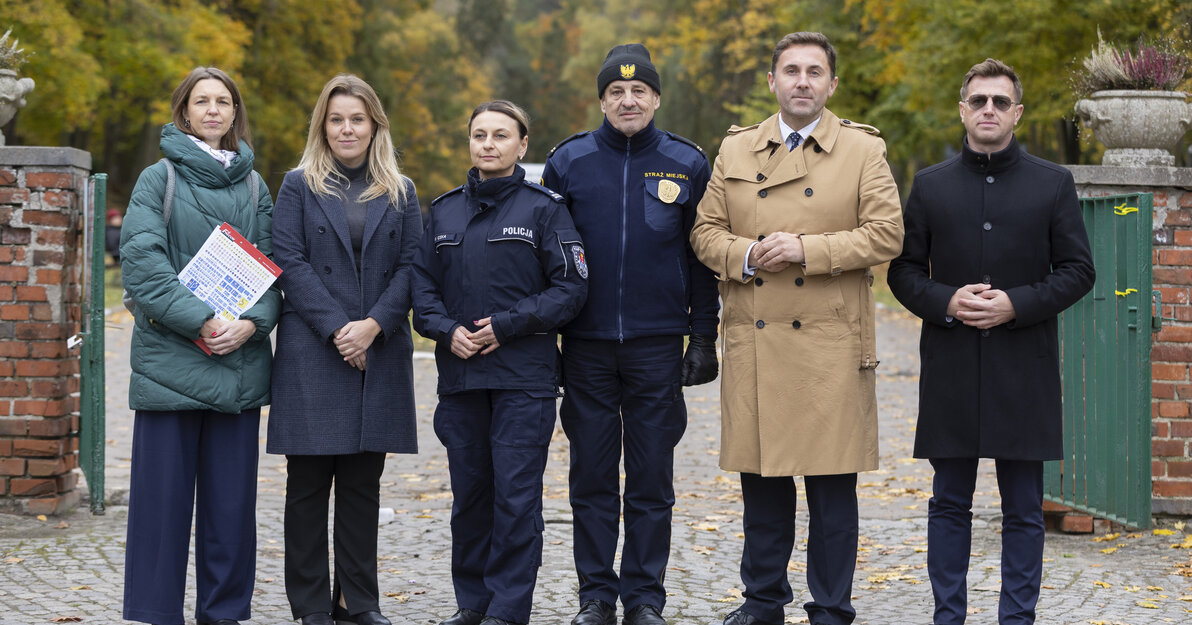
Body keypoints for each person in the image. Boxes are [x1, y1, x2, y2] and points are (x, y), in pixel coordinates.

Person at [690, 32, 904, 625]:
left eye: (815, 71)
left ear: (832, 84)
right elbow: (704, 234)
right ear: (772, 82)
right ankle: (763, 603)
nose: (802, 81)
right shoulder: (734, 151)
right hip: (756, 338)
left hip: (831, 340)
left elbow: (887, 234)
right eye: (791, 71)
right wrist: (750, 257)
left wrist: (807, 249)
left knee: (832, 490)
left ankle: (832, 606)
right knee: (762, 486)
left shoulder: (862, 151)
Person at [887, 58, 1095, 625]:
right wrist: (948, 301)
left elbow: (1078, 270)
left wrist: (1016, 303)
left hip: (1023, 369)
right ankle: (948, 616)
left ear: (1017, 113)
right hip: (952, 366)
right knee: (949, 504)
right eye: (978, 100)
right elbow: (903, 273)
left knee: (1024, 510)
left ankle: (1016, 619)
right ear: (962, 109)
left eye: (1000, 102)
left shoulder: (1053, 183)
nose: (988, 110)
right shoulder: (930, 186)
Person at [541, 43, 719, 625]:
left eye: (639, 90)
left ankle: (645, 597)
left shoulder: (687, 163)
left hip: (657, 345)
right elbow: (546, 261)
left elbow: (701, 259)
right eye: (616, 92)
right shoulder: (568, 163)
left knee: (651, 479)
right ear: (601, 100)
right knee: (591, 475)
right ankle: (596, 595)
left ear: (656, 98)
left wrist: (703, 337)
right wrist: (550, 341)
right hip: (585, 347)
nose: (628, 99)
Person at [412, 100, 588, 625]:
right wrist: (446, 332)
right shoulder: (443, 211)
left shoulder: (545, 209)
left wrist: (508, 325)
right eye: (479, 135)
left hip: (523, 382)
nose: (488, 144)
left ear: (522, 145)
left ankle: (508, 610)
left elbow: (572, 287)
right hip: (461, 380)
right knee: (470, 498)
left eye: (501, 135)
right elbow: (422, 290)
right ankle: (473, 604)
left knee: (515, 500)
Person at [119, 66, 278, 625]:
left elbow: (273, 273)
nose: (213, 110)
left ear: (235, 113)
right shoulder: (156, 180)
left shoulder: (258, 187)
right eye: (201, 101)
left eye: (224, 102)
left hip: (238, 363)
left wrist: (253, 324)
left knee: (231, 511)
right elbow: (142, 265)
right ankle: (155, 614)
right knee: (160, 510)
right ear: (183, 111)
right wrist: (203, 321)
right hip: (171, 363)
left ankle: (224, 614)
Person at [267, 74, 422, 625]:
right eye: (336, 119)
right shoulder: (297, 185)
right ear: (322, 126)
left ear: (374, 124)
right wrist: (340, 329)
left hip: (377, 352)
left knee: (361, 487)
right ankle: (310, 606)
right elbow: (289, 260)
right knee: (307, 487)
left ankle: (358, 603)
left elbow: (412, 268)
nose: (347, 128)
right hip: (314, 349)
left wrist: (373, 326)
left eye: (357, 118)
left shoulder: (400, 191)